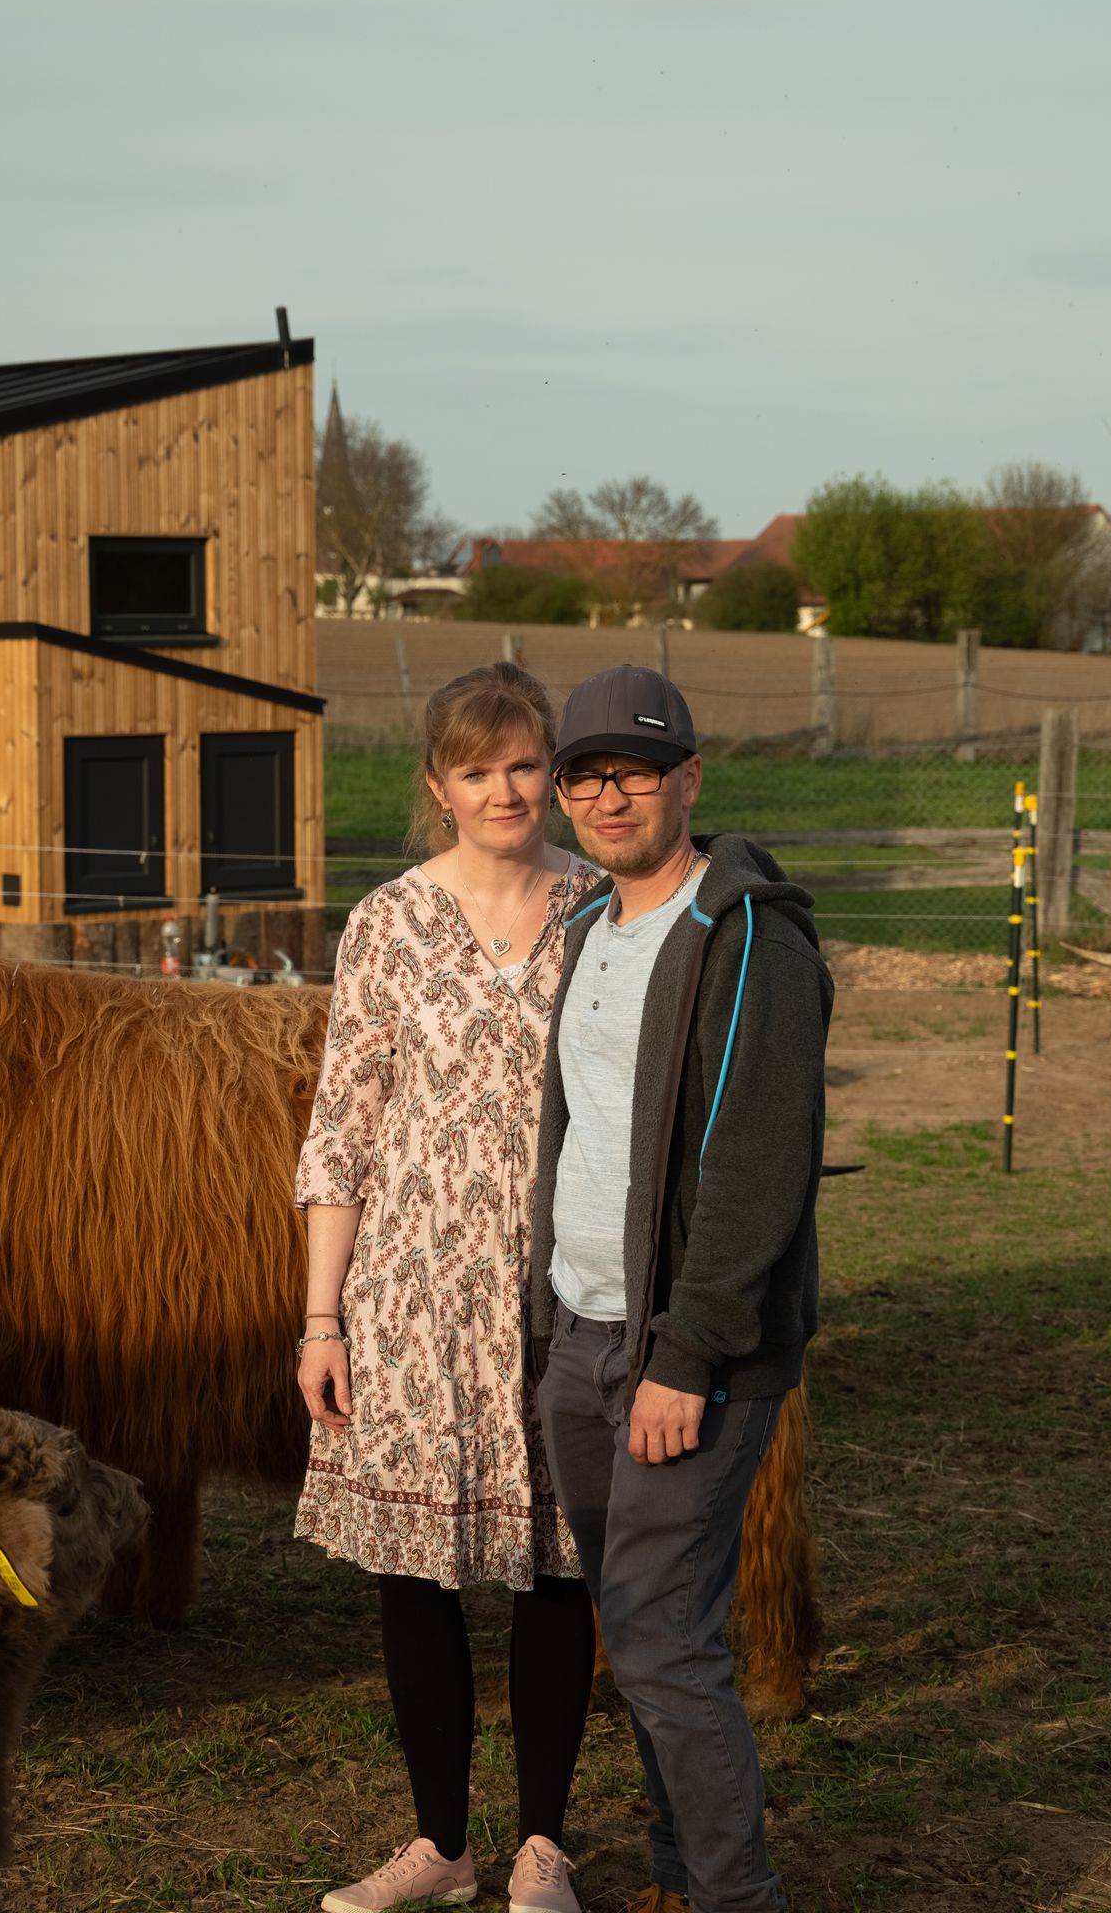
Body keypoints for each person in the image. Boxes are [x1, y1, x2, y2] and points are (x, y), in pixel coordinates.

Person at [295, 661, 600, 1913]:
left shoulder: (601, 911)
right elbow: (344, 1125)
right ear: (438, 787)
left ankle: (541, 1847)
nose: (505, 789)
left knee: (557, 1564)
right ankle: (439, 1847)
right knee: (415, 1573)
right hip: (410, 1295)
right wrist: (322, 1316)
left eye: (524, 763)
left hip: (561, 1290)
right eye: (476, 770)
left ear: (555, 774)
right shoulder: (386, 922)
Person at [528, 664, 833, 1913]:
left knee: (661, 1639)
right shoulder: (589, 926)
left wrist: (687, 1354)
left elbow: (759, 1168)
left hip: (682, 1354)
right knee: (639, 1633)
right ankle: (673, 1873)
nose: (611, 796)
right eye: (587, 774)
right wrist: (556, 1327)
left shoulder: (749, 935)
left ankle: (732, 1896)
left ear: (689, 780)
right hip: (580, 1337)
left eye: (638, 771)